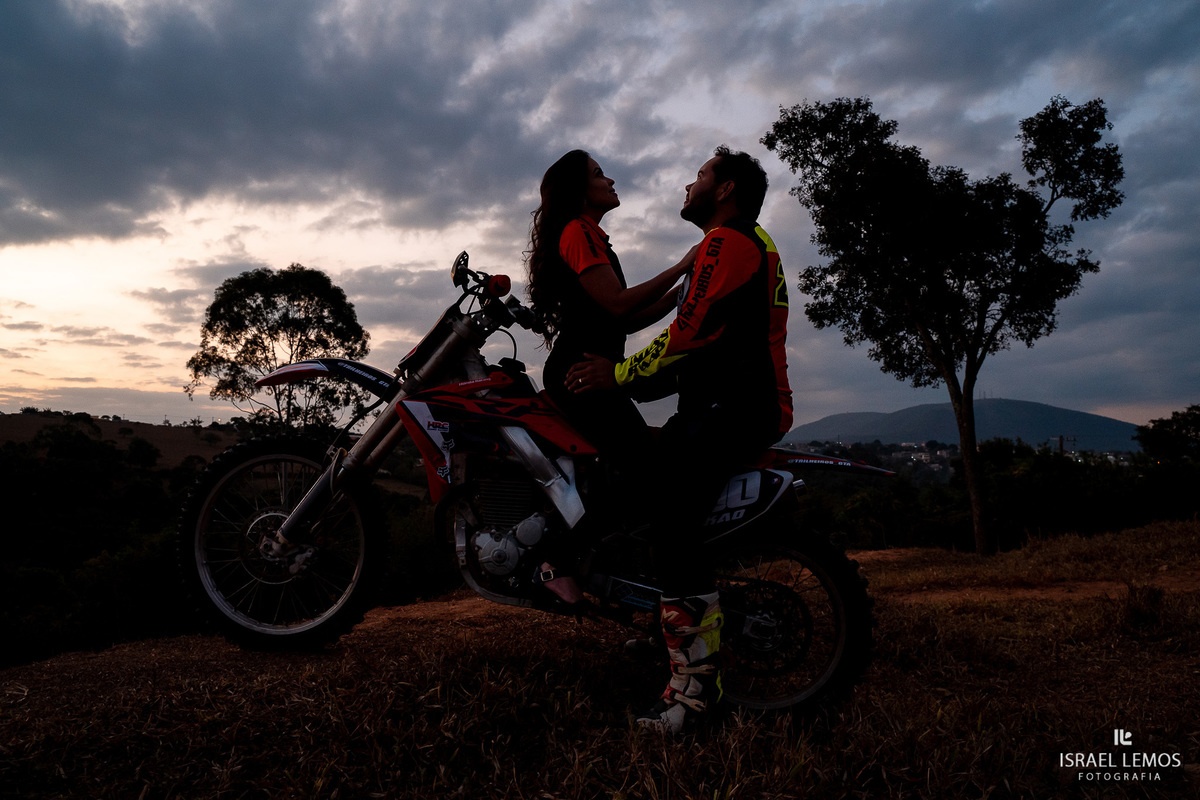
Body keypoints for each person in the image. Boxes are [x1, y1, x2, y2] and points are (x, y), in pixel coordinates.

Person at [566, 145, 793, 733]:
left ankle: (695, 695)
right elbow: (697, 343)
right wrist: (633, 383)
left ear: (726, 189)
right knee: (644, 497)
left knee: (671, 518)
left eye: (699, 176)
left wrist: (617, 375)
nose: (688, 186)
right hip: (724, 405)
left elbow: (685, 337)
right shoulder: (742, 244)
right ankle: (670, 635)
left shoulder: (727, 242)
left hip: (735, 408)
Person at [526, 149, 695, 462]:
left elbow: (625, 320)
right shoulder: (577, 231)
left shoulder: (590, 236)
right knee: (639, 463)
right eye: (598, 174)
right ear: (578, 192)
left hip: (590, 371)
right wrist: (682, 266)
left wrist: (682, 291)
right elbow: (618, 303)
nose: (610, 180)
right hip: (581, 373)